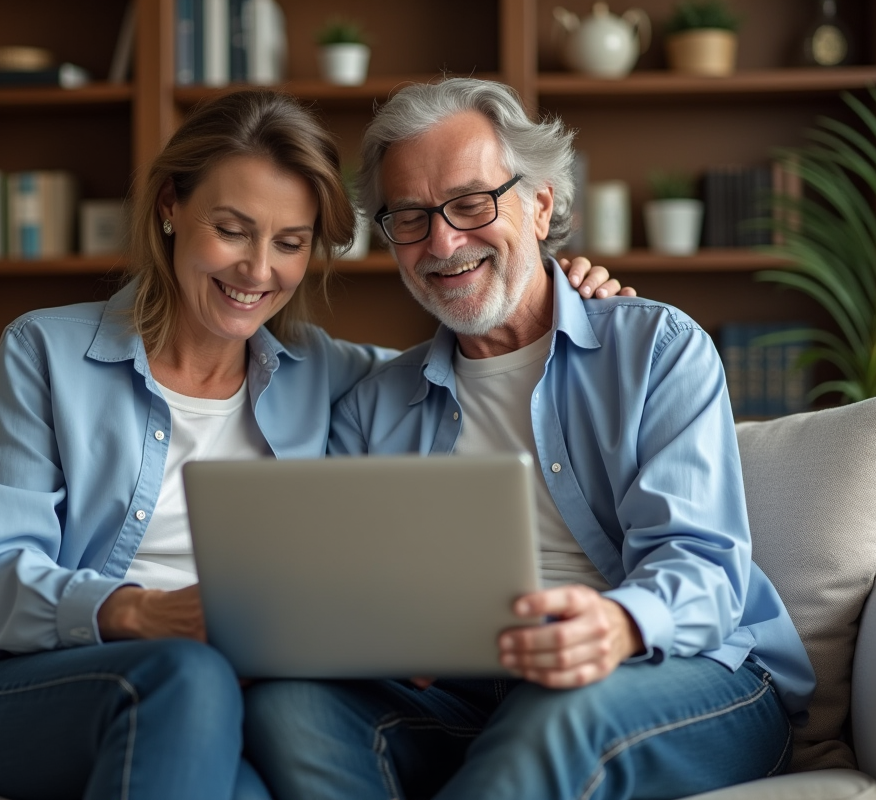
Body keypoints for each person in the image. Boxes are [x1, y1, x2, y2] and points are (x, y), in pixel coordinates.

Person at [0, 89, 631, 800]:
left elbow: (465, 359)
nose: (257, 270)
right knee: (187, 676)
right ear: (171, 207)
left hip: (213, 707)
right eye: (233, 229)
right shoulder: (45, 351)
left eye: (289, 242)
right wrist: (145, 614)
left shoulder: (326, 374)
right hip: (7, 693)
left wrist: (561, 290)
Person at [241, 78, 817, 800]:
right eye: (410, 217)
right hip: (479, 695)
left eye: (471, 203)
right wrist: (380, 636)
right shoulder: (372, 408)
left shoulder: (655, 349)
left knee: (560, 710)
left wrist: (615, 624)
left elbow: (705, 570)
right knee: (288, 709)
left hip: (690, 673)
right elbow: (349, 587)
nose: (442, 242)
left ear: (540, 204)